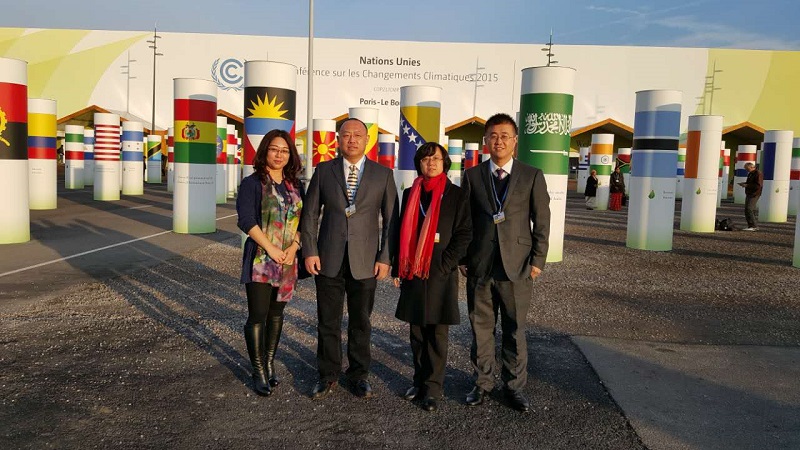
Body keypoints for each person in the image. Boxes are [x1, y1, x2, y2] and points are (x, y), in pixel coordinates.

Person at [459, 113, 550, 413]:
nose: (499, 141)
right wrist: (463, 258)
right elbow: (465, 221)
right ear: (486, 140)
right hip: (481, 264)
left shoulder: (531, 175)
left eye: (504, 136)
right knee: (481, 328)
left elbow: (542, 220)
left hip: (518, 265)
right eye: (493, 136)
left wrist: (538, 260)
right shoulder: (472, 176)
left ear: (515, 141)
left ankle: (514, 387)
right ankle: (482, 383)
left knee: (514, 329)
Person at [301, 118, 398, 399]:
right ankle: (327, 374)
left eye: (358, 135)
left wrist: (385, 257)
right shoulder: (324, 171)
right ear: (338, 139)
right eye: (346, 135)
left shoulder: (383, 174)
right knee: (327, 321)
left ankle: (359, 375)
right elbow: (310, 214)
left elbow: (391, 220)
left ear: (367, 140)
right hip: (328, 257)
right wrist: (310, 250)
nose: (352, 140)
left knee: (361, 322)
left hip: (366, 260)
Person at [391, 142, 472, 412]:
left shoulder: (456, 194)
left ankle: (433, 388)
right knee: (416, 332)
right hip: (413, 271)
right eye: (426, 159)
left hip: (440, 272)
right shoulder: (410, 192)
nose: (431, 163)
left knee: (437, 333)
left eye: (436, 158)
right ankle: (418, 381)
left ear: (445, 163)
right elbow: (400, 230)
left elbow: (464, 233)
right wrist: (398, 267)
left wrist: (447, 263)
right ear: (419, 163)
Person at [236, 129, 304, 396]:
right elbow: (246, 220)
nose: (279, 155)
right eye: (274, 149)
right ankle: (258, 370)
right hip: (261, 259)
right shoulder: (252, 183)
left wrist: (294, 247)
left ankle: (270, 363)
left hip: (288, 260)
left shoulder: (296, 185)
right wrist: (271, 248)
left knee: (277, 314)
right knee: (258, 315)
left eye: (285, 151)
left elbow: (305, 220)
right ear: (265, 151)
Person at [738, 162, 763, 231]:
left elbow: (758, 185)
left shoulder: (758, 173)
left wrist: (747, 185)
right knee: (748, 209)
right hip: (750, 193)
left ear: (752, 167)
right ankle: (751, 225)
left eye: (747, 168)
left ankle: (754, 226)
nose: (746, 170)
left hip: (754, 193)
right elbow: (751, 183)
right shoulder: (751, 173)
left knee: (749, 209)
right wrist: (745, 183)